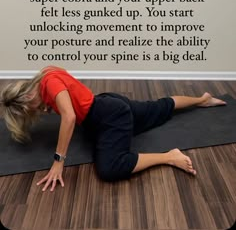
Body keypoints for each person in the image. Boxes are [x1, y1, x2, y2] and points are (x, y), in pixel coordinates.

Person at [0, 65, 226, 192]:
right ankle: (201, 100)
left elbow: (68, 117)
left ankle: (169, 156)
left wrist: (58, 161)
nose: (35, 112)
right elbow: (69, 95)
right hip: (108, 103)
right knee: (159, 108)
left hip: (109, 118)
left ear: (26, 95)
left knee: (110, 169)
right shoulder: (47, 74)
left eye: (30, 110)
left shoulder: (50, 84)